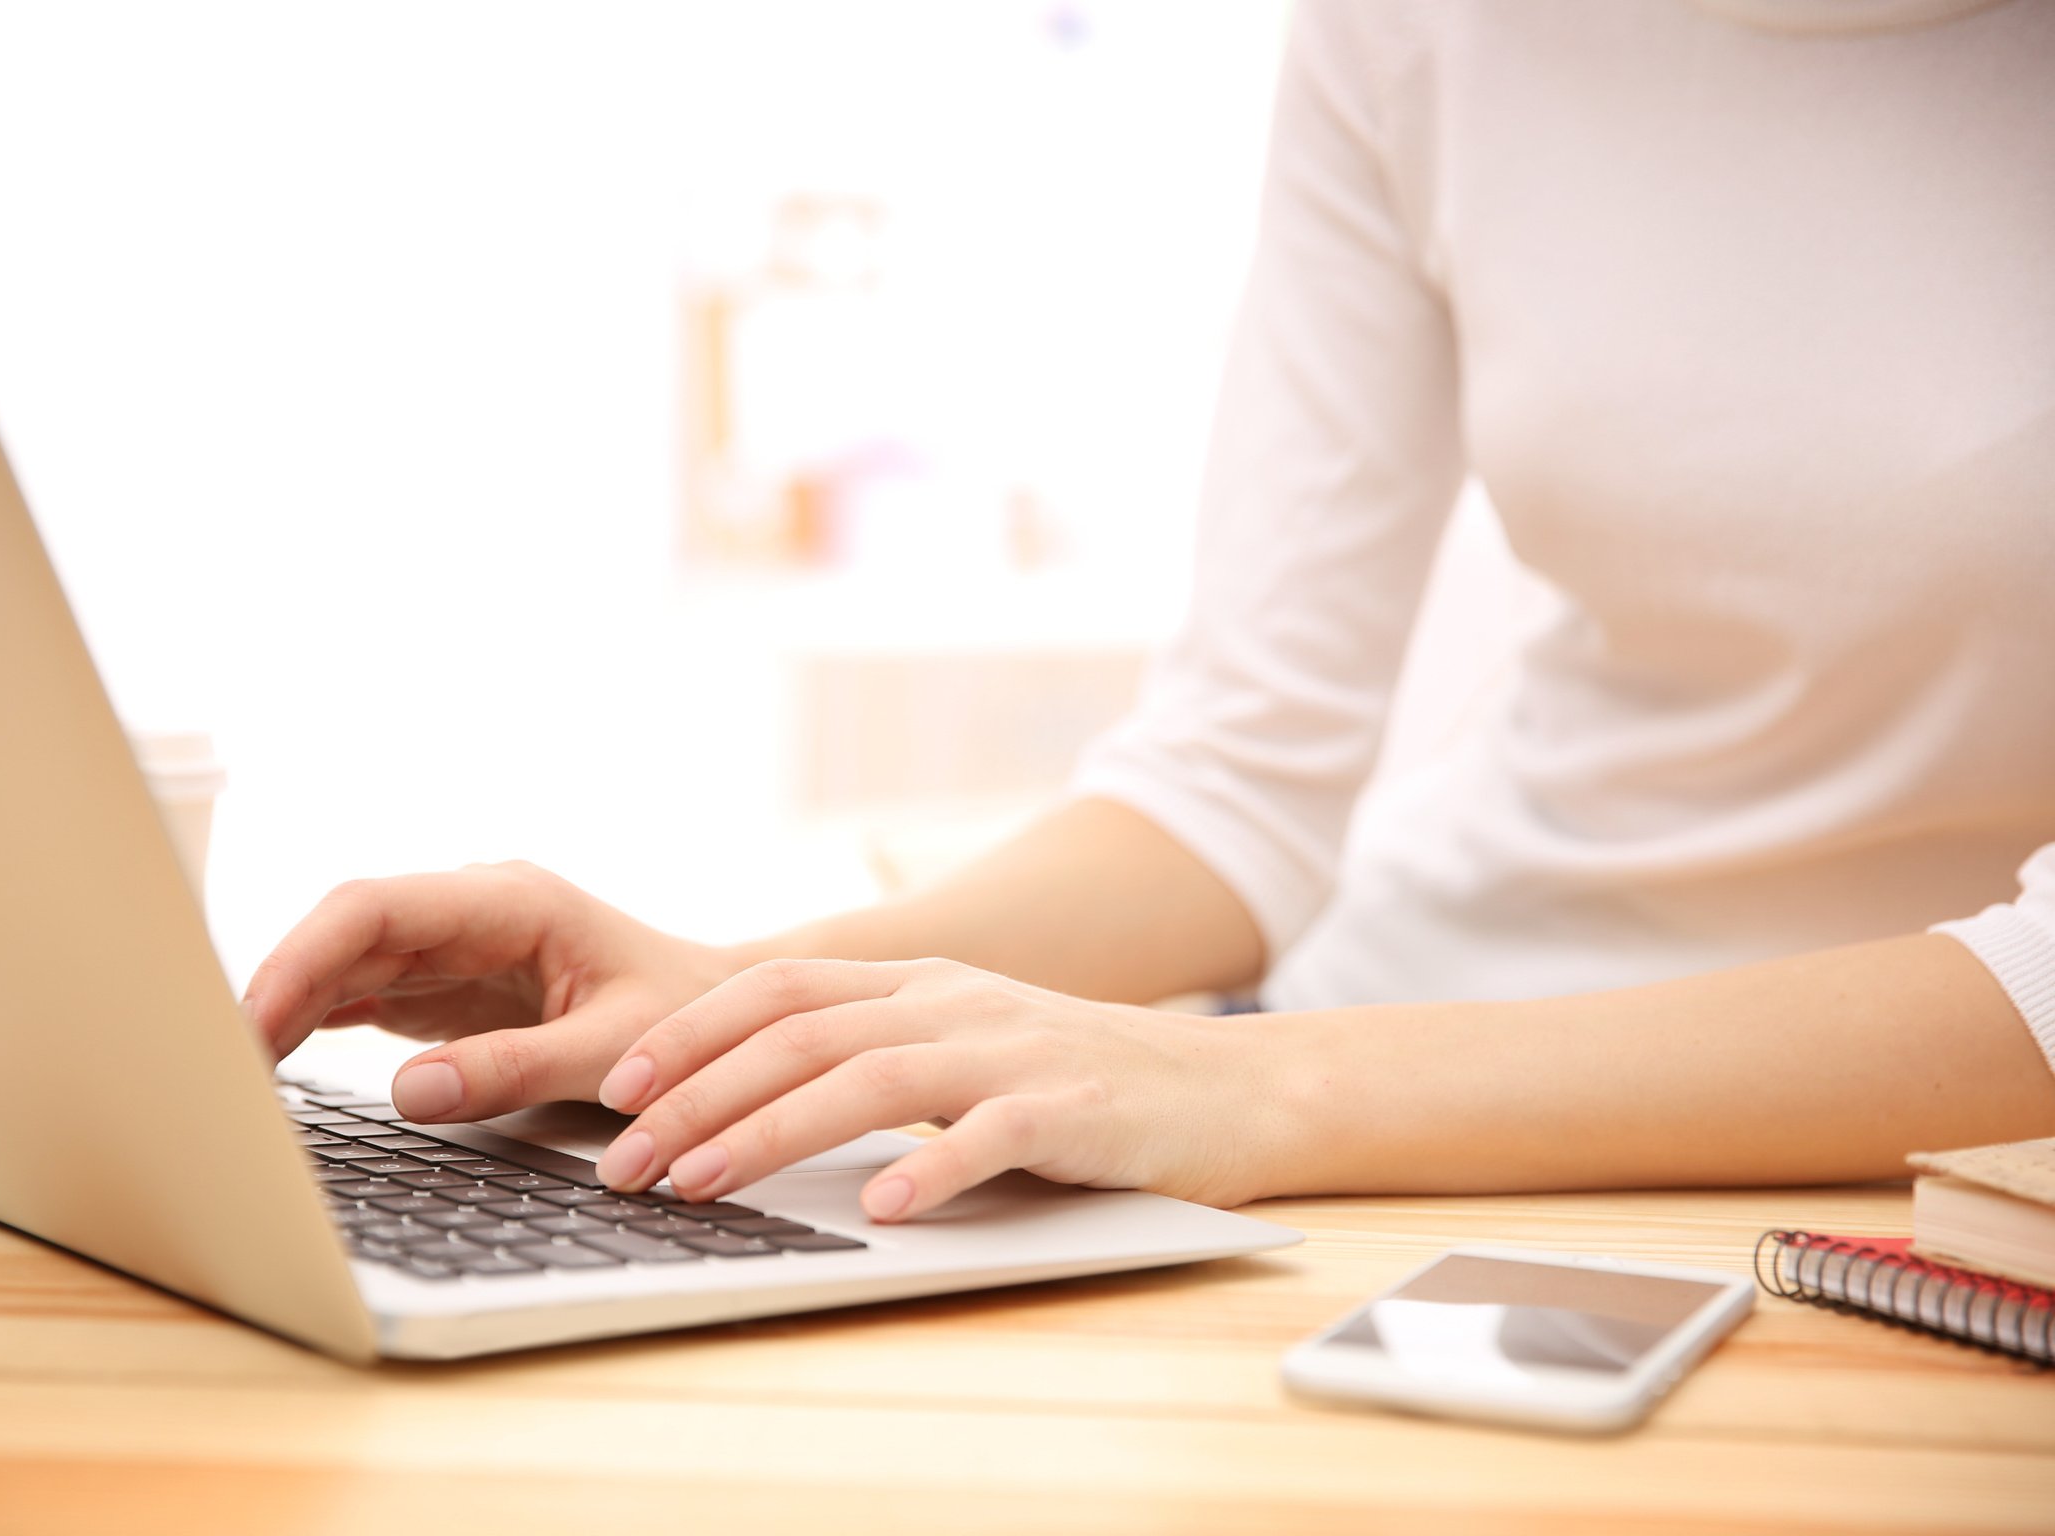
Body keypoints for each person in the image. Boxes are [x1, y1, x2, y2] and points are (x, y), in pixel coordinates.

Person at [243, 0, 2055, 1224]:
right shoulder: (1427, 30)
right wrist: (739, 1001)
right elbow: (1237, 779)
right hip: (1344, 1050)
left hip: (1872, 1183)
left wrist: (1250, 1095)